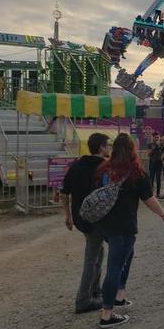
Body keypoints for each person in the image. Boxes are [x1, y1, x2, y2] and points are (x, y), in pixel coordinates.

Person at [94, 133, 164, 328]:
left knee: (125, 256)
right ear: (132, 149)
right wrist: (163, 214)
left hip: (105, 225)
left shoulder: (104, 169)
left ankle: (120, 295)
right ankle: (107, 314)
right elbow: (149, 199)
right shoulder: (136, 172)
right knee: (115, 267)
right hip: (124, 226)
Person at [61, 133, 111, 314]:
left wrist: (68, 215)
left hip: (80, 217)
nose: (109, 148)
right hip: (96, 218)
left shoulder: (76, 164)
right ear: (101, 148)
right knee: (92, 256)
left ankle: (94, 290)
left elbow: (65, 192)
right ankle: (83, 299)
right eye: (107, 145)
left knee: (98, 251)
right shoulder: (103, 167)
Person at [147, 133, 164, 197]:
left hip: (159, 162)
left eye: (158, 137)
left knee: (158, 178)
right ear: (153, 138)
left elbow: (163, 153)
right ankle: (151, 193)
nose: (156, 138)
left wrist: (159, 146)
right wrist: (154, 148)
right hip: (152, 162)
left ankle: (158, 193)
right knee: (151, 178)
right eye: (155, 137)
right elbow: (148, 153)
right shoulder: (150, 144)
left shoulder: (161, 144)